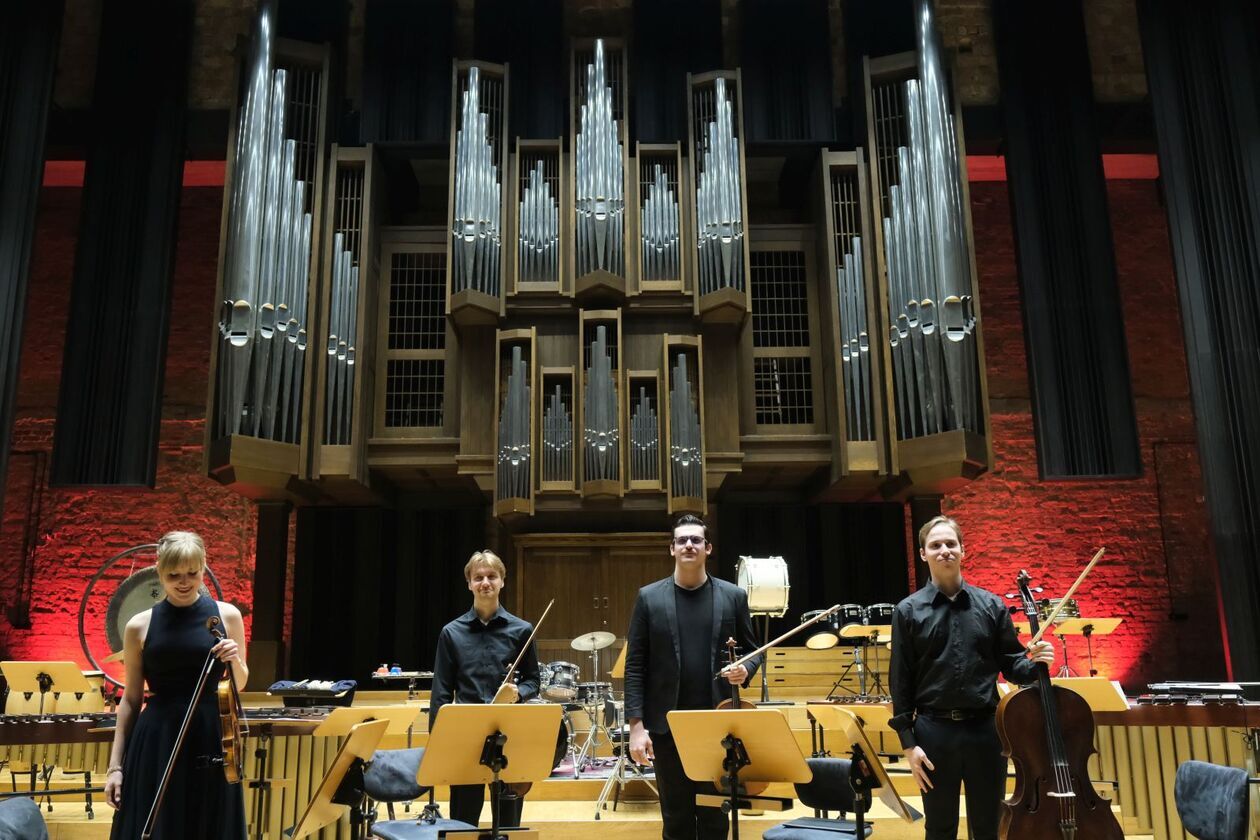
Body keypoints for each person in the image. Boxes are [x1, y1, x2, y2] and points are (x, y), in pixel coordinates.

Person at [889, 515, 1056, 840]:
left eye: (951, 544)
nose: (944, 550)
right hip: (933, 734)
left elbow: (1012, 665)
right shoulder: (907, 611)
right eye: (935, 545)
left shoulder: (991, 606)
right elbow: (901, 681)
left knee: (988, 827)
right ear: (923, 553)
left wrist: (1036, 662)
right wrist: (910, 746)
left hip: (986, 732)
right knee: (939, 829)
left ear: (963, 550)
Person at [624, 513, 762, 840]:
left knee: (716, 820)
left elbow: (755, 650)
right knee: (676, 820)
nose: (689, 545)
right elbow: (635, 665)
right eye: (682, 540)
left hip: (717, 725)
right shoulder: (649, 598)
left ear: (708, 547)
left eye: (696, 540)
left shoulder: (733, 596)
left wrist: (746, 669)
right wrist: (636, 727)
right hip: (666, 728)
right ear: (671, 548)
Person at [105, 531, 248, 840]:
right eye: (173, 575)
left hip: (211, 734)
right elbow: (130, 700)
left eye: (192, 573)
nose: (184, 582)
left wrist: (234, 659)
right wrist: (115, 767)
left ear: (204, 567)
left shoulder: (228, 616)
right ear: (159, 572)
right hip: (158, 736)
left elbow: (240, 683)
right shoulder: (138, 625)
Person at [430, 549, 542, 828]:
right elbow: (441, 693)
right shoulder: (451, 633)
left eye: (492, 576)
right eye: (478, 577)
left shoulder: (522, 630)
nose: (485, 582)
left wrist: (520, 693)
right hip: (466, 734)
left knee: (508, 824)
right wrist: (438, 742)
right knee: (462, 823)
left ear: (503, 581)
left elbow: (533, 681)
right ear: (469, 583)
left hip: (509, 734)